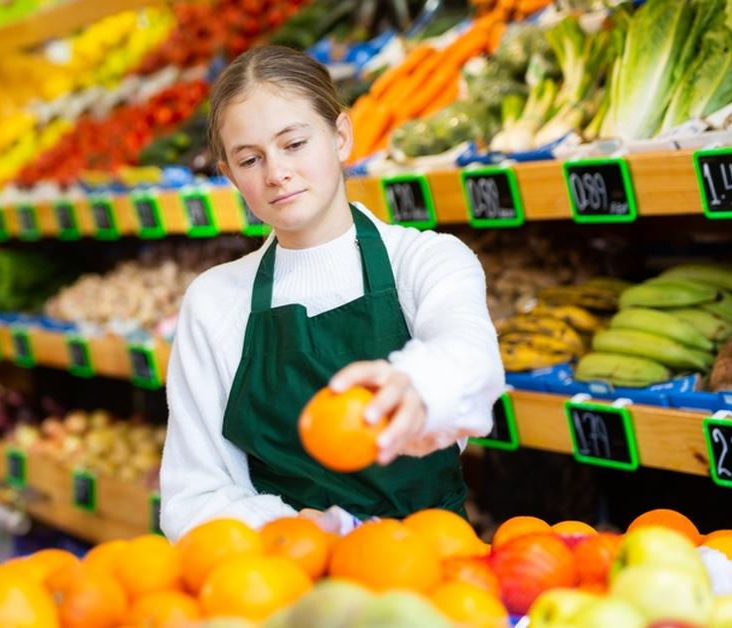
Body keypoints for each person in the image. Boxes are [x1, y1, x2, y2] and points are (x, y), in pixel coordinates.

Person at [159, 46, 504, 540]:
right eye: (250, 159)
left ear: (341, 136)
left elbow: (470, 358)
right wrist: (303, 531)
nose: (276, 172)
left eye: (294, 143)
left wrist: (417, 386)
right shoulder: (214, 302)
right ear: (231, 176)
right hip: (286, 574)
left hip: (432, 568)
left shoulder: (426, 260)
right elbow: (194, 494)